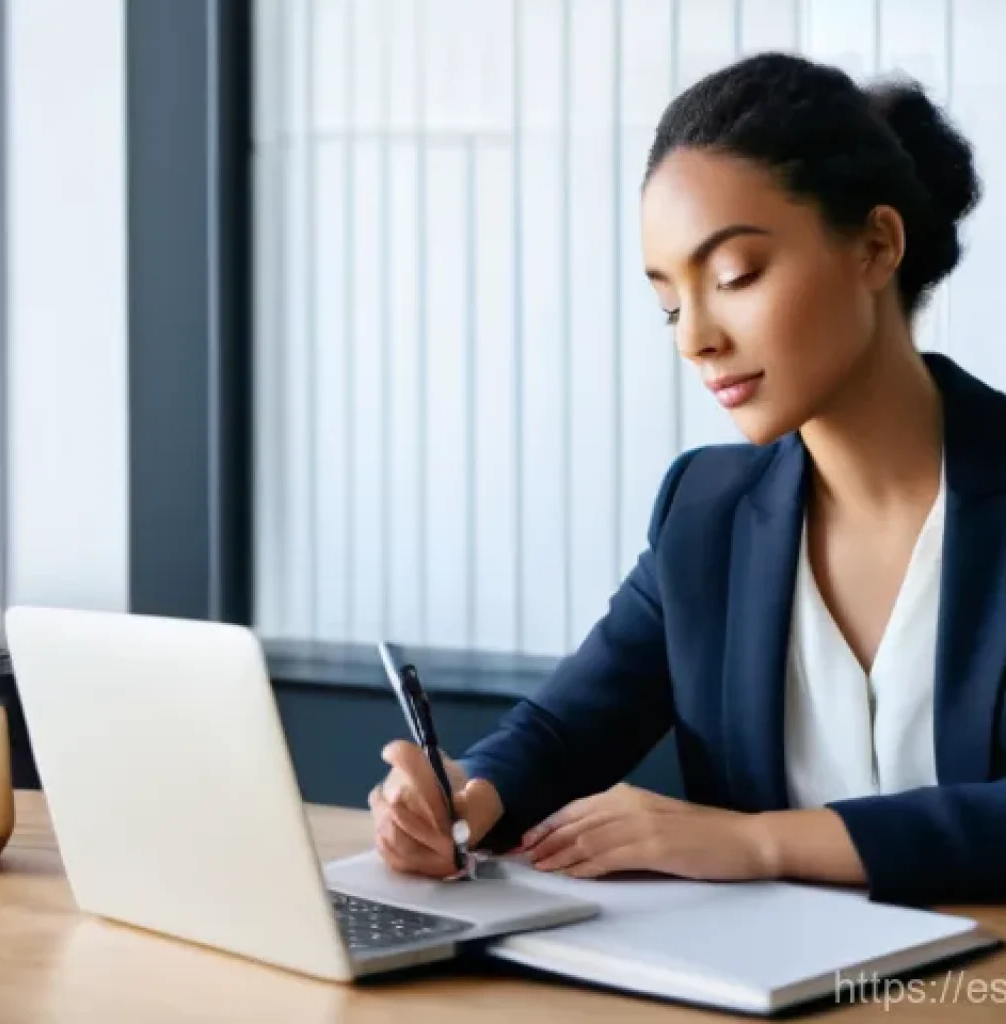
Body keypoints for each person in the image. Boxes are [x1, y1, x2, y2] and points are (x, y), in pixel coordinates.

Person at [369, 51, 1006, 907]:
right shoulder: (706, 511)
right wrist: (467, 801)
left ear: (876, 245)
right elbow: (563, 728)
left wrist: (752, 842)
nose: (694, 338)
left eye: (735, 276)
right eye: (671, 303)